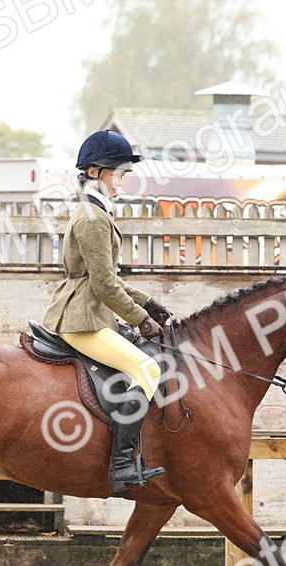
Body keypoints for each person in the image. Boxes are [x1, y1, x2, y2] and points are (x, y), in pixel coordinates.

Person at [41, 130, 174, 492]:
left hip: (89, 311)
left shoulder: (95, 211)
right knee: (147, 367)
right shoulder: (94, 218)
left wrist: (148, 302)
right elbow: (103, 285)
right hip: (81, 320)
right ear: (96, 171)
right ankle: (121, 465)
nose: (122, 182)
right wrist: (140, 319)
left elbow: (107, 279)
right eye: (119, 174)